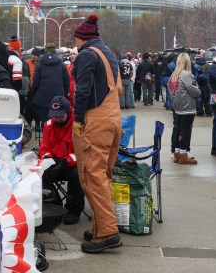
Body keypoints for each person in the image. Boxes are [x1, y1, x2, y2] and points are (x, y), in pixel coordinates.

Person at [72, 14, 123, 253]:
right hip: (113, 118)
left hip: (96, 119)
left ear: (82, 38)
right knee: (104, 174)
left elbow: (82, 91)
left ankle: (107, 232)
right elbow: (119, 89)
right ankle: (100, 225)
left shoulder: (86, 55)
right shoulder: (108, 53)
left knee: (92, 176)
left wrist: (79, 120)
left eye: (76, 40)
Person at [38, 96, 85, 225]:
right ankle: (55, 205)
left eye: (60, 116)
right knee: (39, 174)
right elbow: (44, 148)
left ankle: (73, 210)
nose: (57, 119)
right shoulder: (48, 125)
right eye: (55, 116)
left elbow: (82, 152)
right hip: (55, 163)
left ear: (68, 113)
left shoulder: (79, 124)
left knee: (76, 174)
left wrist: (65, 162)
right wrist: (49, 160)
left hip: (72, 164)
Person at [168, 53, 201, 164]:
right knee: (186, 131)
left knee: (178, 130)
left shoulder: (174, 75)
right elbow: (195, 91)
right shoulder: (187, 75)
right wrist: (199, 90)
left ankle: (177, 152)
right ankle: (183, 154)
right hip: (187, 107)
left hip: (177, 107)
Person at [30, 42, 70, 124]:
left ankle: (46, 132)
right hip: (58, 97)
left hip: (42, 99)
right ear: (55, 52)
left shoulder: (39, 64)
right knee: (57, 120)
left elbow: (35, 82)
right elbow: (67, 81)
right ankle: (55, 135)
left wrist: (33, 95)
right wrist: (64, 95)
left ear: (45, 51)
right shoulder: (61, 65)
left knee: (45, 121)